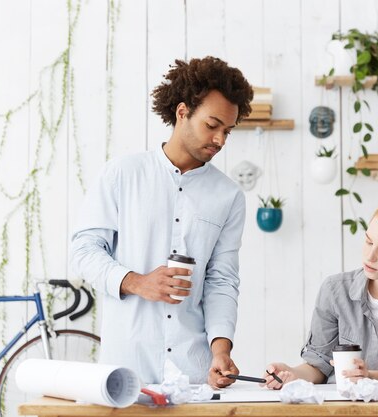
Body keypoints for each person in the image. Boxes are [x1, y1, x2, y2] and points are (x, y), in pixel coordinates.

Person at [70, 56, 253, 387]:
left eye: (228, 131)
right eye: (212, 126)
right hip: (127, 369)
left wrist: (220, 350)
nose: (220, 141)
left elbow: (221, 280)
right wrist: (137, 281)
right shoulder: (121, 174)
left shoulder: (229, 196)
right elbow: (84, 251)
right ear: (182, 112)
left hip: (193, 372)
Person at [262, 185, 378, 389]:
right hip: (347, 404)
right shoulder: (334, 290)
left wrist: (370, 376)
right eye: (368, 242)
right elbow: (319, 365)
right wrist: (291, 373)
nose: (370, 256)